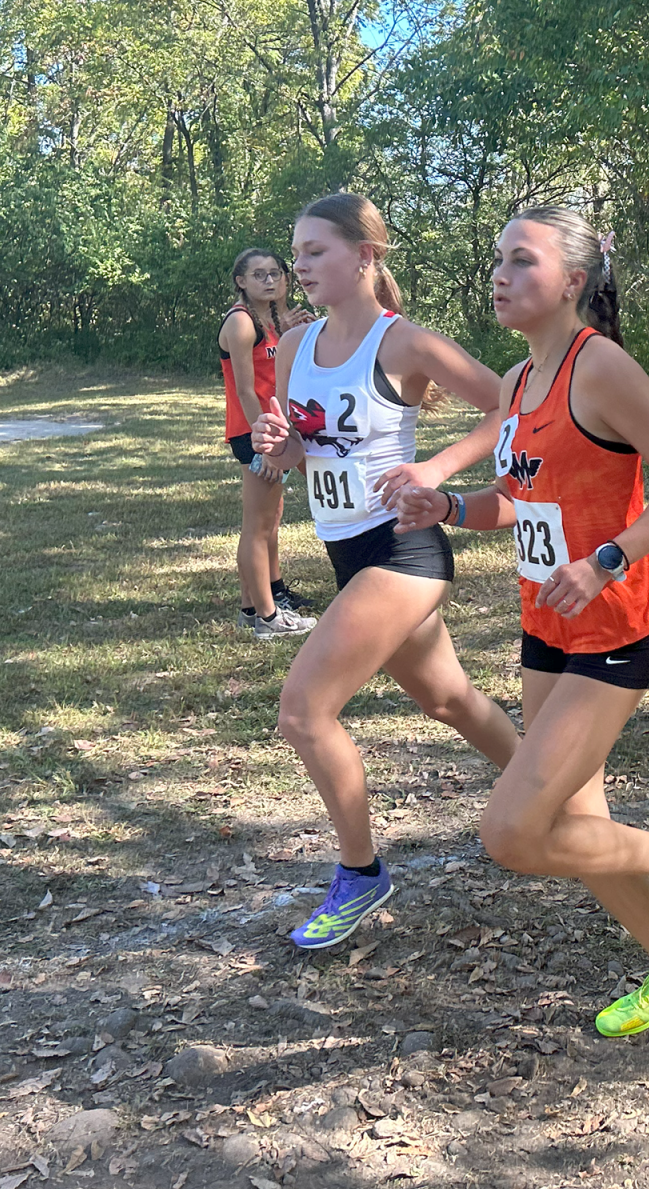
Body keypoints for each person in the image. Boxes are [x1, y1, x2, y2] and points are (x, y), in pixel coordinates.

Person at [394, 207, 649, 1037]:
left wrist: (608, 558)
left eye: (521, 260)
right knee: (579, 824)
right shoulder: (517, 382)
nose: (499, 275)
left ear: (574, 281)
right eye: (497, 261)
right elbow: (519, 503)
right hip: (546, 625)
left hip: (616, 630)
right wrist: (445, 505)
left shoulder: (602, 367)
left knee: (511, 834)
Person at [251, 193, 521, 948]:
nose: (297, 267)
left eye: (314, 253)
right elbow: (305, 448)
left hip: (404, 551)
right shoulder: (297, 344)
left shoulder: (404, 344)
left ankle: (361, 873)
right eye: (295, 253)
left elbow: (519, 404)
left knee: (304, 711)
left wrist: (438, 467)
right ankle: (549, 787)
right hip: (347, 552)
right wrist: (282, 446)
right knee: (451, 701)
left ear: (365, 257)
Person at [219, 247, 318, 640]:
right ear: (241, 281)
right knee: (257, 526)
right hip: (254, 433)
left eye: (276, 273)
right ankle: (266, 616)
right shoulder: (242, 323)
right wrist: (266, 444)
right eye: (258, 275)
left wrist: (290, 329)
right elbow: (246, 391)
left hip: (273, 430)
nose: (270, 280)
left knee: (271, 519)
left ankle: (262, 599)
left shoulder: (273, 320)